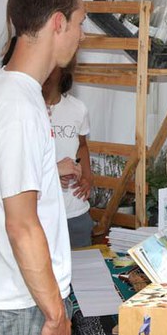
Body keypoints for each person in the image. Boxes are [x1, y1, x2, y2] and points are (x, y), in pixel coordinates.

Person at [0, 0, 86, 335]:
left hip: (17, 298)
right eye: (81, 23)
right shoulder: (17, 105)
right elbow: (22, 226)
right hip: (22, 305)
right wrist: (56, 315)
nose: (82, 36)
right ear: (58, 23)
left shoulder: (0, 91)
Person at [42, 63, 95, 248]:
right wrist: (55, 171)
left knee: (82, 273)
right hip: (42, 215)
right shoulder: (28, 110)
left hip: (75, 213)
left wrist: (88, 177)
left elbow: (82, 145)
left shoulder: (78, 108)